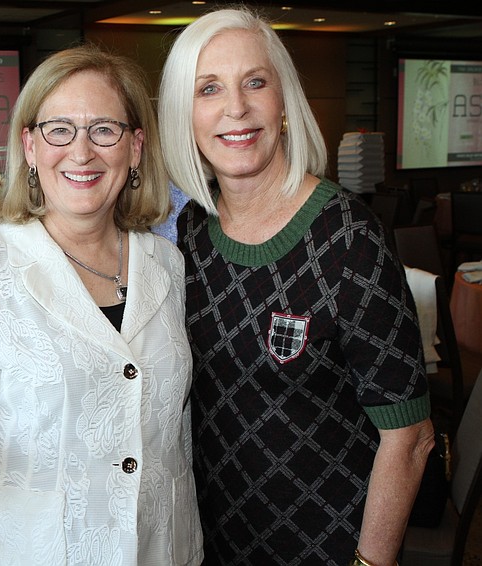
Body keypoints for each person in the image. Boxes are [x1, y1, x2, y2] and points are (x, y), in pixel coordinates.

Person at [157, 8, 434, 566]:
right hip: (210, 545)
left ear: (284, 101)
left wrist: (369, 564)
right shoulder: (188, 236)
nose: (236, 108)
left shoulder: (350, 238)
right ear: (183, 115)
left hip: (333, 550)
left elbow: (410, 438)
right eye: (209, 88)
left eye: (255, 82)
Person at [0, 44, 203, 565]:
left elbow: (173, 440)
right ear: (29, 145)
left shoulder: (169, 266)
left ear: (136, 147)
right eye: (59, 129)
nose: (82, 151)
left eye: (104, 130)